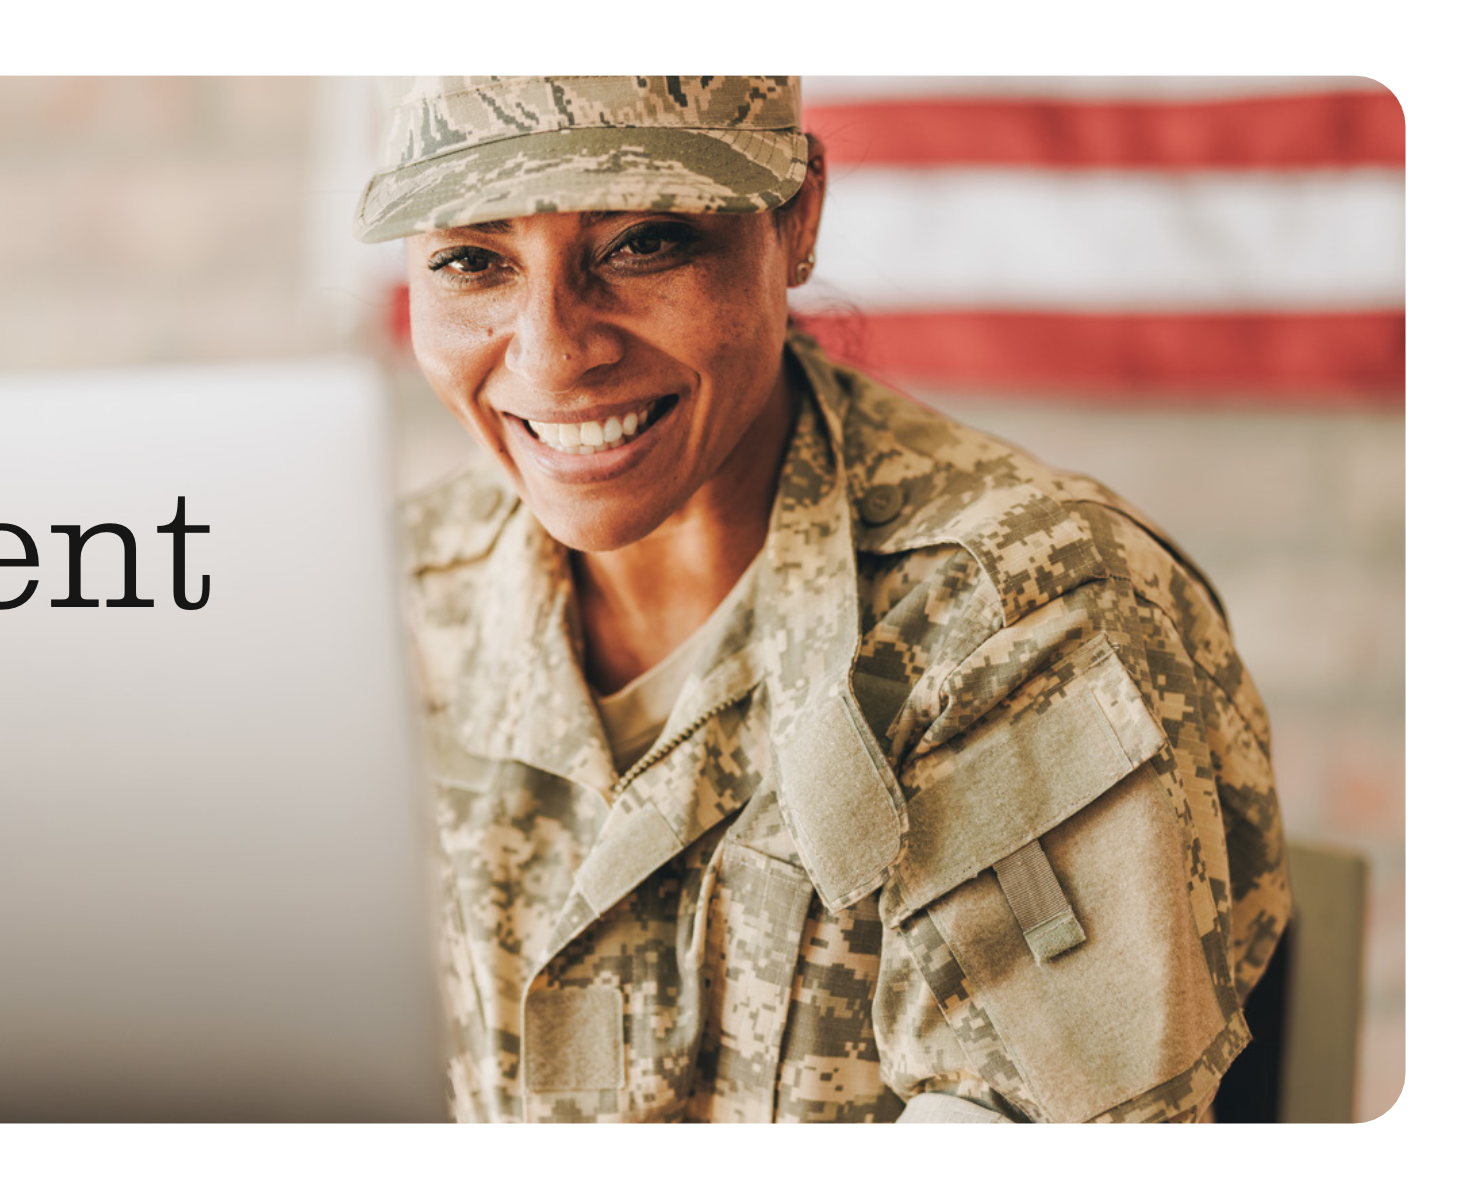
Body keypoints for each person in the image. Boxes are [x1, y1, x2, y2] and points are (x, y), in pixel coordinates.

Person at [359, 76, 1289, 1123]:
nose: (554, 353)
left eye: (643, 244)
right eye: (469, 262)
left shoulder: (1019, 612)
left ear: (795, 219)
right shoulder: (376, 600)